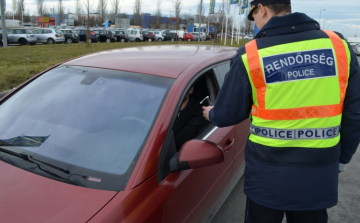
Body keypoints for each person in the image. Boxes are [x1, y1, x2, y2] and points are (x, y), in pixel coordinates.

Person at [202, 0, 360, 222]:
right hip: (319, 170)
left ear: (262, 9)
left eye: (254, 17)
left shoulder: (250, 54)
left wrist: (212, 114)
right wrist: (341, 159)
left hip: (267, 176)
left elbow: (229, 113)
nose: (255, 23)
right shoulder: (339, 46)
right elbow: (354, 114)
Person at [174, 86, 209, 150]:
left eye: (182, 88)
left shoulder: (201, 116)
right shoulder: (158, 108)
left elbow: (199, 149)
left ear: (191, 90)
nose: (178, 91)